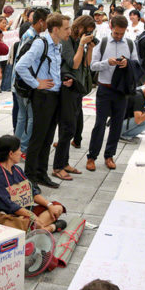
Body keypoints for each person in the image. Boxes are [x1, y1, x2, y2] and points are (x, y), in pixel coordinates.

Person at [15, 12, 70, 187]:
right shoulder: (41, 43)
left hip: (55, 95)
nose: (69, 31)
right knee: (38, 138)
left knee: (48, 137)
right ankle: (30, 176)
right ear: (55, 29)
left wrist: (63, 79)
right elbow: (20, 66)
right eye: (66, 28)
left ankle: (41, 173)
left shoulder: (57, 45)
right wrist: (35, 83)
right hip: (42, 97)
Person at [0, 135, 66, 231]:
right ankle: (49, 228)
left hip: (25, 212)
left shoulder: (17, 170)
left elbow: (32, 192)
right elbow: (9, 205)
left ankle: (38, 228)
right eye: (19, 150)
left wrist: (49, 205)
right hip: (8, 217)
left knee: (57, 208)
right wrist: (32, 216)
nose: (21, 153)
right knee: (24, 223)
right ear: (11, 154)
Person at [87, 14, 137, 172]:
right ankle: (92, 156)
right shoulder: (102, 43)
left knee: (116, 124)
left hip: (121, 91)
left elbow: (136, 64)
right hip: (104, 88)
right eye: (116, 33)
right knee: (100, 124)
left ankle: (109, 155)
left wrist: (126, 64)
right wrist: (106, 63)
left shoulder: (129, 43)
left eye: (122, 33)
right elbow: (92, 66)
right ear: (111, 27)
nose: (119, 36)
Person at [54, 15, 94, 179]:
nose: (88, 34)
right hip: (67, 89)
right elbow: (74, 63)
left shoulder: (78, 41)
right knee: (67, 127)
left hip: (77, 87)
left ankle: (65, 162)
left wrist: (89, 48)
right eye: (87, 31)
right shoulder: (67, 41)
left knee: (72, 127)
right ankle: (58, 166)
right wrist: (82, 45)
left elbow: (86, 64)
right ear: (80, 27)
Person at [13, 8, 50, 154]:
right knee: (30, 118)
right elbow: (21, 63)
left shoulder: (29, 33)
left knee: (22, 117)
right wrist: (35, 82)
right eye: (46, 22)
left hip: (19, 83)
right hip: (25, 84)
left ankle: (15, 147)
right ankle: (23, 147)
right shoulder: (32, 37)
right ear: (41, 22)